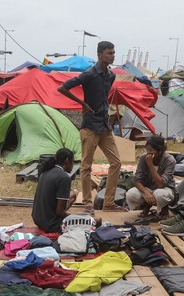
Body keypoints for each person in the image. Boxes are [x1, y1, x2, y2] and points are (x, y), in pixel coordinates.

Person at [57, 41, 126, 214]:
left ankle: (108, 203)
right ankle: (88, 204)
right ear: (100, 54)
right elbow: (63, 88)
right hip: (89, 126)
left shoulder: (110, 76)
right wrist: (82, 103)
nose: (112, 55)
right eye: (109, 53)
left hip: (104, 126)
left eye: (113, 52)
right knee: (86, 166)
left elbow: (103, 99)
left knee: (116, 162)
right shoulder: (89, 74)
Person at [125, 136, 176, 219]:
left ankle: (164, 208)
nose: (148, 153)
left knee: (159, 194)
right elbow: (137, 180)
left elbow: (160, 184)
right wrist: (146, 192)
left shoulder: (170, 160)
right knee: (131, 194)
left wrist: (150, 165)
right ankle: (146, 206)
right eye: (147, 149)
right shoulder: (143, 158)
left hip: (165, 189)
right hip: (148, 188)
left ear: (160, 151)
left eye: (151, 150)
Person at [31, 148, 79, 232]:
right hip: (51, 224)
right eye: (73, 162)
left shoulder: (45, 172)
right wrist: (71, 217)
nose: (73, 165)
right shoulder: (64, 177)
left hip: (38, 220)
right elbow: (59, 212)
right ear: (67, 160)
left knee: (73, 195)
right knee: (95, 221)